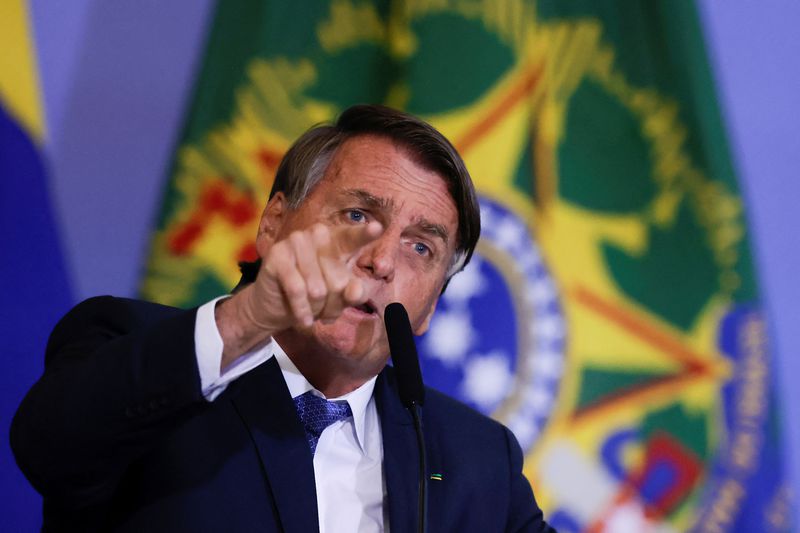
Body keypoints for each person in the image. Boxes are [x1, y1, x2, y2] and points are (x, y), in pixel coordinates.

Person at [11, 105, 553, 532]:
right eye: (358, 215)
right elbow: (49, 447)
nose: (381, 261)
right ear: (273, 223)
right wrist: (246, 319)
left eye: (420, 247)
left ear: (430, 306)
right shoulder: (137, 345)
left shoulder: (477, 459)